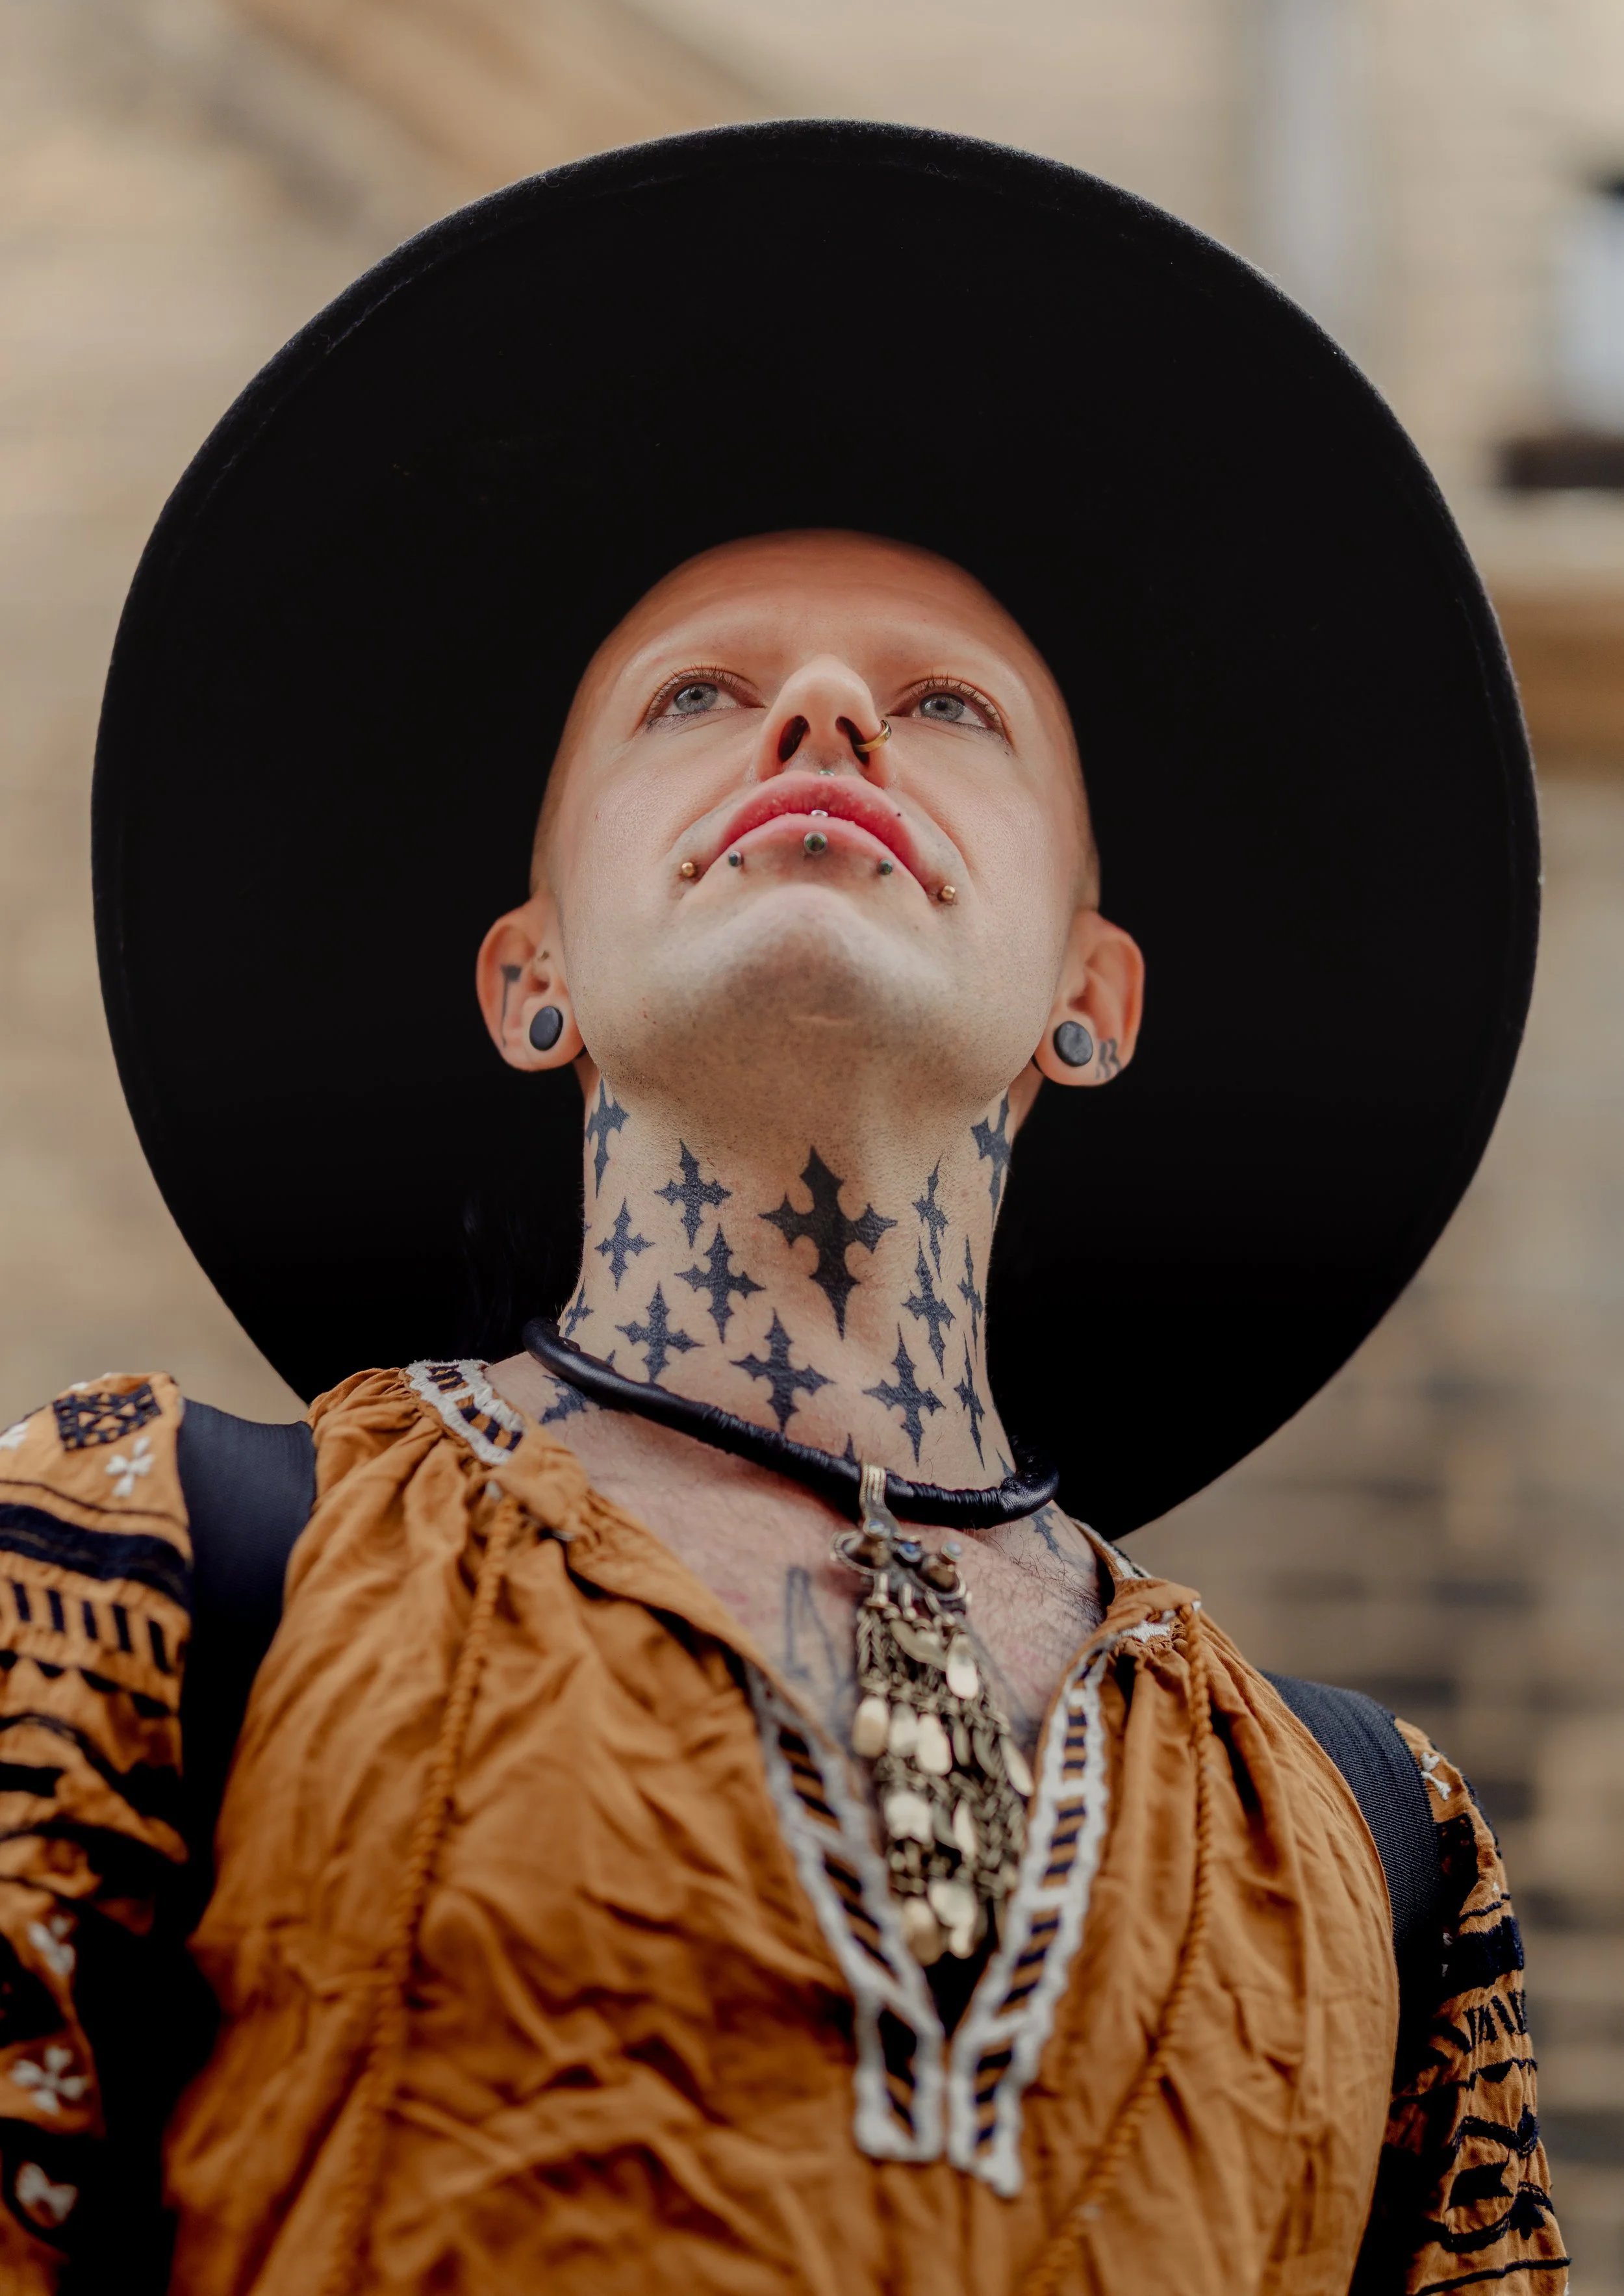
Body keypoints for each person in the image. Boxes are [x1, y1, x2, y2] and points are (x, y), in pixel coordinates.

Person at [0, 123, 1565, 2294]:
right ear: (529, 969)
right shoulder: (141, 1568)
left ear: (1087, 998)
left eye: (946, 708)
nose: (824, 710)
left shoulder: (1372, 1842)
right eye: (696, 695)